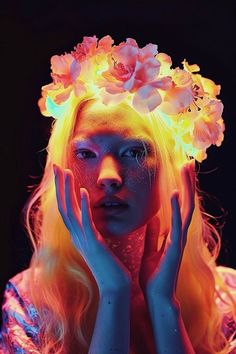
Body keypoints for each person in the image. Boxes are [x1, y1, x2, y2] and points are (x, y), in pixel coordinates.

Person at [0, 35, 235, 354]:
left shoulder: (228, 300)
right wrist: (114, 291)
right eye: (85, 154)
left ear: (173, 167)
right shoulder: (28, 302)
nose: (109, 177)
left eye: (134, 151)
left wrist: (164, 303)